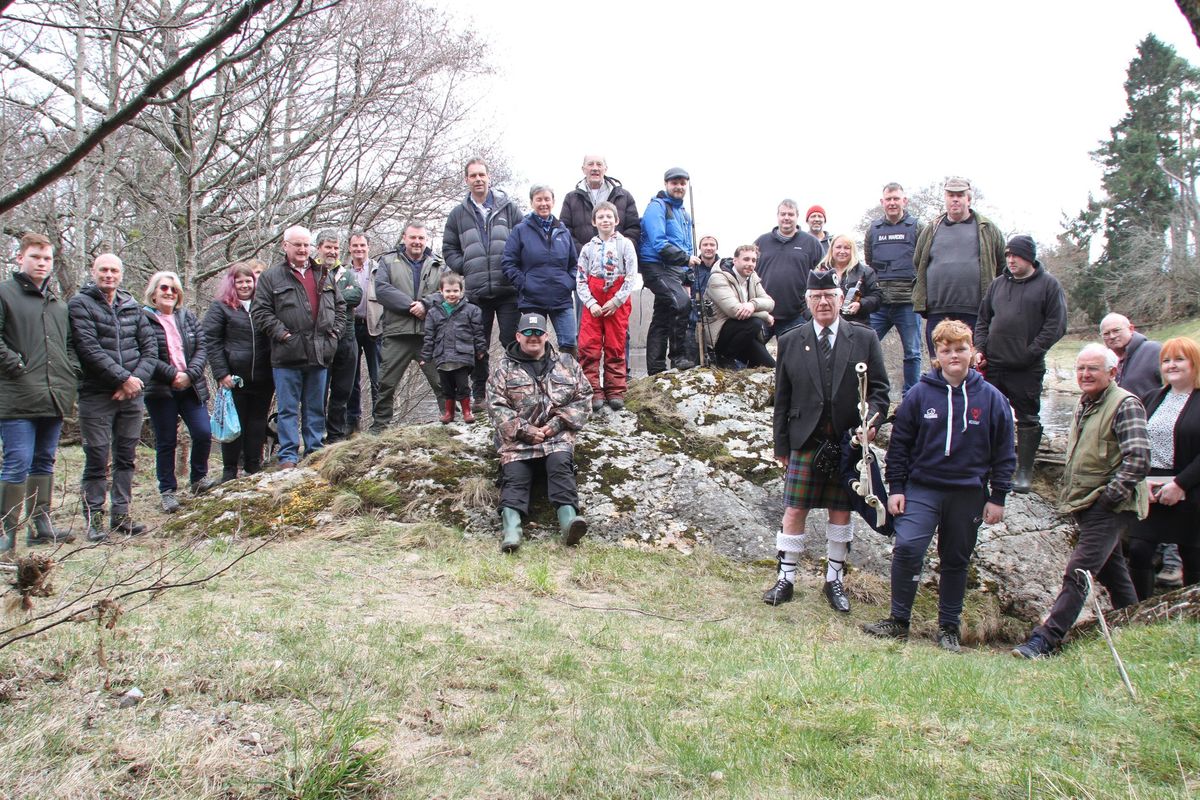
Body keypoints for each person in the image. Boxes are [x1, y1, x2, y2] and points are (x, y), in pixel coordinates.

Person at [862, 320, 1015, 652]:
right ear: (937, 356)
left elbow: (1005, 451)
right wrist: (897, 488)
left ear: (972, 352)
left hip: (968, 492)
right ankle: (899, 620)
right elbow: (900, 445)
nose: (954, 356)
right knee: (907, 548)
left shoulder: (992, 399)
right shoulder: (919, 394)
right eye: (947, 351)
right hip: (922, 488)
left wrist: (998, 496)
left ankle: (949, 627)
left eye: (961, 349)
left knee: (955, 559)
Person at [764, 270, 890, 613]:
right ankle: (785, 579)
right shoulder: (790, 340)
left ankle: (834, 580)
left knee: (841, 510)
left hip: (847, 440)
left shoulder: (864, 337)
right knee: (794, 510)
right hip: (805, 439)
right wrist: (781, 447)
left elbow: (879, 390)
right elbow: (783, 399)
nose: (823, 302)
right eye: (816, 296)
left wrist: (873, 421)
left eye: (829, 295)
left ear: (840, 299)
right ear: (807, 300)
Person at [1012, 343, 1148, 659]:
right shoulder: (1085, 403)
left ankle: (1045, 640)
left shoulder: (1125, 405)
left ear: (1112, 372)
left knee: (1079, 572)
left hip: (1108, 505)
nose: (1085, 374)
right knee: (1113, 573)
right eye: (1081, 369)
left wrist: (1109, 497)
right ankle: (1138, 629)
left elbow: (1138, 459)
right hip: (1086, 504)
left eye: (1093, 369)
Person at [486, 313, 593, 553]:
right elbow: (495, 406)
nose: (533, 338)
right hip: (517, 440)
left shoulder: (567, 363)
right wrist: (524, 430)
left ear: (546, 335)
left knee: (560, 464)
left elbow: (584, 398)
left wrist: (556, 425)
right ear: (518, 336)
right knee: (514, 475)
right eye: (528, 333)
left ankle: (569, 523)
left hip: (556, 436)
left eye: (538, 333)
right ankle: (512, 531)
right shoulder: (502, 368)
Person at [69, 253, 158, 540]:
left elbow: (150, 350)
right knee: (97, 456)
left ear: (121, 274)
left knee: (126, 456)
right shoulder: (80, 304)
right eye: (103, 270)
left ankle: (121, 515)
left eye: (114, 271)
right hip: (96, 393)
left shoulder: (133, 307)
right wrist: (123, 379)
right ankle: (94, 518)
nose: (109, 275)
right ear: (93, 272)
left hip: (133, 394)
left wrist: (135, 381)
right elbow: (88, 348)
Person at [0, 233, 77, 553]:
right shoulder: (5, 294)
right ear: (20, 258)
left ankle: (40, 524)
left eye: (46, 258)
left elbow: (70, 346)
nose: (41, 263)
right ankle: (7, 529)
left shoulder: (58, 304)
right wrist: (16, 365)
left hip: (54, 394)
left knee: (44, 460)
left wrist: (72, 371)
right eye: (35, 257)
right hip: (16, 395)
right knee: (17, 460)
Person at [974, 235, 1067, 493]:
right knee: (988, 417)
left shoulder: (1049, 285)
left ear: (1030, 257)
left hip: (1027, 367)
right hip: (993, 365)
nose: (1011, 260)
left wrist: (1032, 351)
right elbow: (983, 320)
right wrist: (980, 348)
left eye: (1016, 255)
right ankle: (988, 468)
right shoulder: (997, 285)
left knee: (1027, 418)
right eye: (1008, 255)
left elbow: (1056, 325)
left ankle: (1024, 472)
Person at [252, 225, 346, 468]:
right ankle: (288, 456)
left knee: (316, 408)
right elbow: (260, 311)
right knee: (287, 410)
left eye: (306, 245)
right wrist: (282, 334)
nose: (303, 249)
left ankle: (314, 452)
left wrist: (333, 335)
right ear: (286, 246)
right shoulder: (271, 277)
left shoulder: (324, 274)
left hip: (319, 353)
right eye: (297, 245)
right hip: (287, 355)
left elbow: (341, 307)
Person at [442, 158, 523, 402]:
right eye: (473, 176)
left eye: (482, 175)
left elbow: (523, 239)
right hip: (477, 291)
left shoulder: (508, 207)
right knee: (478, 345)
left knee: (511, 341)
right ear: (466, 180)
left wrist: (514, 267)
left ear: (489, 177)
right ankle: (479, 394)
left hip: (507, 288)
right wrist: (466, 267)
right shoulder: (458, 214)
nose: (478, 179)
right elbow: (449, 247)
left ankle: (514, 391)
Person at [1125, 337, 1200, 599]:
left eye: (1179, 359)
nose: (1172, 365)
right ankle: (1139, 612)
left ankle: (1193, 613)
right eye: (1166, 360)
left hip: (1191, 489)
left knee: (1192, 554)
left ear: (1194, 363)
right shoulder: (1152, 397)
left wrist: (1180, 485)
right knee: (1139, 550)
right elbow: (1135, 442)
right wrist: (1140, 480)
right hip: (1151, 487)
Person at [143, 271, 213, 513]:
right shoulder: (144, 320)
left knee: (203, 432)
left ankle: (199, 479)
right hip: (161, 389)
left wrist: (188, 375)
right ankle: (168, 491)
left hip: (191, 386)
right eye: (164, 288)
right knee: (166, 441)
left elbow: (201, 348)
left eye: (173, 289)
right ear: (153, 293)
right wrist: (173, 375)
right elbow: (146, 355)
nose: (169, 293)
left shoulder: (187, 317)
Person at [912, 176, 1005, 355]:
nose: (955, 199)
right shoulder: (931, 228)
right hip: (938, 311)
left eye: (960, 195)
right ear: (945, 198)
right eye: (951, 195)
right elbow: (919, 262)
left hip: (976, 311)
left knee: (974, 365)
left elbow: (1001, 265)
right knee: (939, 365)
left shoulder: (987, 228)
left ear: (968, 199)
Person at [371, 222, 446, 431]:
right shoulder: (387, 261)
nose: (417, 242)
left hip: (429, 334)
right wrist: (412, 306)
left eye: (421, 238)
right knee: (385, 383)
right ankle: (380, 425)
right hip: (397, 333)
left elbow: (448, 293)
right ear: (404, 237)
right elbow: (382, 290)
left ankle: (452, 418)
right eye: (413, 237)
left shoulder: (438, 264)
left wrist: (426, 304)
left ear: (426, 240)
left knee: (442, 381)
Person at [204, 262, 274, 482]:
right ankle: (229, 470)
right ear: (232, 283)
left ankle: (253, 466)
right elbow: (211, 341)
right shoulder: (221, 307)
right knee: (235, 423)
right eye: (240, 281)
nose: (245, 285)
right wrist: (221, 373)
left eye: (248, 281)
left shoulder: (263, 305)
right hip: (234, 378)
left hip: (263, 376)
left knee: (257, 423)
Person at [576, 201, 637, 410]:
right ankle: (593, 390)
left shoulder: (626, 245)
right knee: (588, 345)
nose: (605, 220)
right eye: (601, 217)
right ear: (594, 221)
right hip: (593, 298)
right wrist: (591, 302)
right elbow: (581, 279)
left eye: (609, 216)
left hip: (617, 298)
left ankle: (615, 389)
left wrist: (616, 300)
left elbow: (631, 277)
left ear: (616, 220)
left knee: (616, 344)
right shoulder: (587, 249)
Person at [503, 185, 579, 353]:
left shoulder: (563, 231)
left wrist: (568, 282)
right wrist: (525, 284)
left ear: (553, 202)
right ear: (532, 202)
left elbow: (574, 264)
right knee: (533, 346)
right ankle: (534, 379)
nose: (543, 203)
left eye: (547, 199)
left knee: (570, 343)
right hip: (532, 299)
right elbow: (508, 262)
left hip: (561, 298)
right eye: (539, 199)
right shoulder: (520, 230)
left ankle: (567, 379)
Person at [865, 182, 925, 396]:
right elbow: (869, 263)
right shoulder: (873, 229)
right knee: (864, 348)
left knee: (912, 353)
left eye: (896, 199)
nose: (892, 203)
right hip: (880, 304)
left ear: (904, 201)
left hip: (907, 303)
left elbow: (924, 261)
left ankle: (911, 397)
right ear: (882, 202)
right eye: (888, 199)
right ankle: (870, 393)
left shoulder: (917, 227)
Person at [639, 167, 700, 374]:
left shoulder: (683, 213)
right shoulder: (657, 207)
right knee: (682, 303)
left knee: (662, 316)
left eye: (683, 183)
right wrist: (686, 259)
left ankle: (655, 369)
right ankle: (677, 356)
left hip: (675, 269)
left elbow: (688, 246)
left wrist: (686, 272)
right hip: (655, 266)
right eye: (675, 183)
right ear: (666, 184)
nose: (679, 187)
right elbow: (659, 243)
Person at [315, 230, 363, 442]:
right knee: (318, 392)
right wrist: (339, 297)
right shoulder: (312, 273)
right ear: (318, 248)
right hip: (321, 340)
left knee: (342, 390)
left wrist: (329, 296)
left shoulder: (347, 273)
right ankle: (316, 435)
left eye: (335, 248)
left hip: (347, 339)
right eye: (328, 247)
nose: (332, 252)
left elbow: (357, 295)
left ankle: (336, 435)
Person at [421, 272, 485, 424]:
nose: (452, 294)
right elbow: (429, 336)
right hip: (442, 355)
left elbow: (478, 331)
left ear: (461, 291)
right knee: (446, 387)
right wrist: (426, 356)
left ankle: (467, 411)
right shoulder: (433, 312)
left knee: (463, 385)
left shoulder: (472, 310)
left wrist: (480, 349)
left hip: (463, 355)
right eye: (448, 291)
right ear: (441, 291)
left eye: (455, 291)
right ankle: (448, 413)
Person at [754, 199, 825, 338]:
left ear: (797, 216)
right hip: (763, 313)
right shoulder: (761, 242)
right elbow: (748, 271)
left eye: (790, 214)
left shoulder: (812, 243)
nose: (786, 218)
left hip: (796, 315)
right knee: (749, 356)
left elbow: (822, 277)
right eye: (783, 214)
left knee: (794, 359)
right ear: (778, 216)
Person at [702, 244, 775, 369]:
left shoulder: (752, 277)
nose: (750, 264)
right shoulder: (718, 278)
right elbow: (735, 311)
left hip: (742, 333)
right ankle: (724, 358)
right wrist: (764, 315)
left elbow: (770, 302)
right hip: (719, 335)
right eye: (746, 259)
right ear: (735, 260)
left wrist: (753, 304)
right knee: (755, 323)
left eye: (754, 260)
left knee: (771, 367)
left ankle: (748, 363)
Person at [559, 154, 641, 251]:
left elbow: (633, 229)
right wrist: (585, 252)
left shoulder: (624, 196)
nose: (595, 168)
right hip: (583, 260)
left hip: (617, 261)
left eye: (599, 164)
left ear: (605, 169)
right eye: (590, 164)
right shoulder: (571, 198)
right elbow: (565, 230)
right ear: (583, 169)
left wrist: (618, 250)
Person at [346, 231, 381, 433]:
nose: (359, 249)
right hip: (350, 327)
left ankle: (379, 421)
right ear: (350, 248)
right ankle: (352, 422)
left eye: (362, 245)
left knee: (378, 376)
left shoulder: (378, 270)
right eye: (355, 246)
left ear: (368, 247)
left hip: (374, 327)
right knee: (351, 378)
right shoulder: (344, 272)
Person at [818, 234, 881, 326]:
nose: (842, 251)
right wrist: (813, 317)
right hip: (825, 325)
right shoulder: (820, 271)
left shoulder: (866, 272)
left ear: (853, 250)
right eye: (838, 247)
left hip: (856, 326)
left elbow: (877, 297)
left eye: (847, 248)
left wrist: (860, 304)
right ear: (832, 249)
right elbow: (806, 298)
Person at [1100, 313, 1162, 403]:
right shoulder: (1106, 360)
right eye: (1106, 333)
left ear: (1131, 329)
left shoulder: (1153, 351)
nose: (1112, 336)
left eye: (1116, 330)